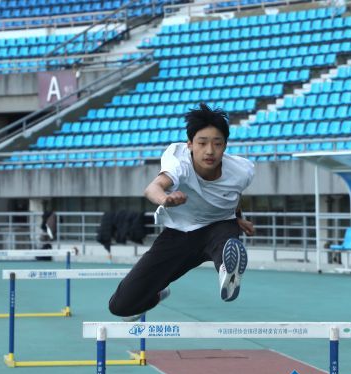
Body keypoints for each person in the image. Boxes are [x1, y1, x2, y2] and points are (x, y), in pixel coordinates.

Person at [109, 103, 256, 321]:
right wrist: (165, 199)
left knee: (225, 238)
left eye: (217, 144)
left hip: (218, 228)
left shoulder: (242, 171)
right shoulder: (179, 162)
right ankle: (156, 294)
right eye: (202, 143)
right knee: (121, 305)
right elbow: (153, 188)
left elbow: (233, 193)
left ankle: (228, 272)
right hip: (179, 234)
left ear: (225, 146)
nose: (210, 151)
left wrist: (238, 218)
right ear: (190, 144)